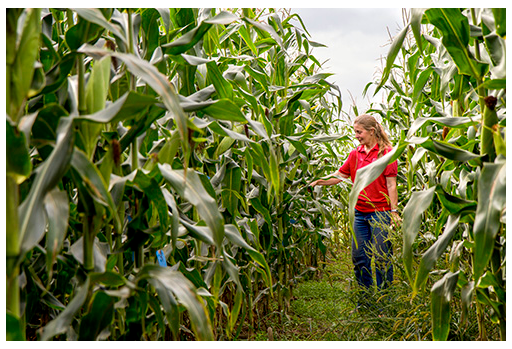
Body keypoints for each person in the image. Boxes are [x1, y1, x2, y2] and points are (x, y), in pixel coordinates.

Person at [310, 114, 399, 302]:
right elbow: (340, 176)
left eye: (359, 132)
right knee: (360, 258)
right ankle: (365, 300)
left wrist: (394, 212)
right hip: (359, 214)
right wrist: (320, 181)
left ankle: (385, 303)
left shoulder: (387, 154)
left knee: (382, 258)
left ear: (371, 131)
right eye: (355, 132)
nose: (356, 136)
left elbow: (391, 185)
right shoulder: (355, 154)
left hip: (381, 213)